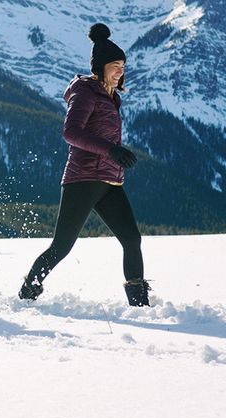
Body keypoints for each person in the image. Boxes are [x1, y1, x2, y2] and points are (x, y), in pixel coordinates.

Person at [18, 23, 150, 306]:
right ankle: (29, 289)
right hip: (83, 178)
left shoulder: (112, 98)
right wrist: (111, 150)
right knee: (62, 246)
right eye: (115, 65)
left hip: (111, 181)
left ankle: (140, 304)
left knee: (131, 238)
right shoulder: (85, 91)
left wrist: (115, 156)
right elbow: (71, 133)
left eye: (123, 66)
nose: (121, 71)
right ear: (100, 67)